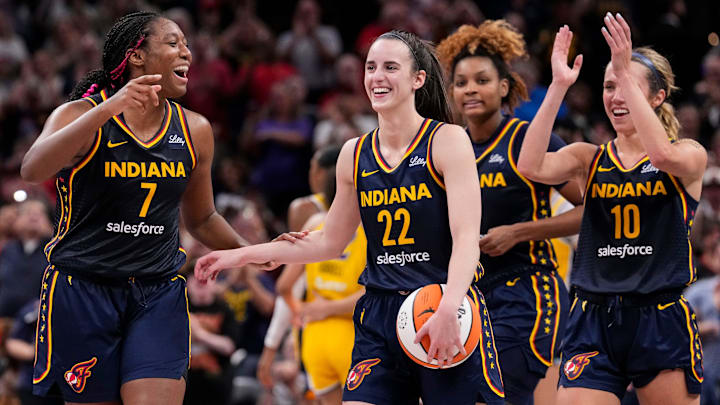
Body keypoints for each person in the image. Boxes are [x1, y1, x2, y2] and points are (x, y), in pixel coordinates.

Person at [196, 30, 505, 405]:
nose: (378, 76)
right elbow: (330, 242)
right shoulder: (353, 154)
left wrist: (450, 306)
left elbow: (467, 237)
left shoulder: (447, 141)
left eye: (391, 67)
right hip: (379, 315)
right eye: (371, 67)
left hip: (441, 303)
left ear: (417, 79)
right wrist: (240, 254)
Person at [19, 11, 266, 405]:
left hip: (157, 289)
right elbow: (33, 170)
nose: (187, 52)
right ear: (137, 56)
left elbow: (201, 218)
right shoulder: (81, 115)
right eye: (174, 43)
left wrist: (253, 251)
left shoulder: (195, 130)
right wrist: (107, 109)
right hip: (84, 288)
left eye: (186, 44)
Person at [517, 14, 706, 405]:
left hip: (659, 315)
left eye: (628, 86)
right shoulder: (590, 158)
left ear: (657, 97)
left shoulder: (688, 153)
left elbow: (661, 154)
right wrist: (557, 87)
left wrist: (621, 66)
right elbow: (530, 166)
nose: (616, 96)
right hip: (592, 316)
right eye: (608, 86)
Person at [436, 20, 584, 405]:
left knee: (497, 393)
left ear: (504, 88)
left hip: (529, 290)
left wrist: (519, 232)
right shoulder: (448, 149)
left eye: (482, 80)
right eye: (462, 82)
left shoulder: (527, 140)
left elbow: (592, 210)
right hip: (470, 297)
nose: (470, 89)